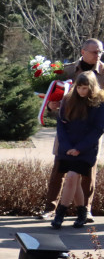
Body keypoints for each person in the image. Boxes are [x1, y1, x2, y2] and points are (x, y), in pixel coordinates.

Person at [40, 39, 104, 220]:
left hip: (91, 131)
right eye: (94, 52)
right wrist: (51, 106)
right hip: (68, 128)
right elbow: (51, 96)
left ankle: (85, 209)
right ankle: (49, 208)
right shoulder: (66, 70)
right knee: (60, 167)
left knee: (87, 171)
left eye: (100, 52)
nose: (98, 55)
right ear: (83, 51)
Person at [50, 72, 104, 228]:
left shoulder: (100, 103)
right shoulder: (68, 99)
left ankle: (60, 213)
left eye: (85, 88)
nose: (81, 91)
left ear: (92, 88)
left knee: (72, 177)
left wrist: (79, 148)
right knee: (75, 181)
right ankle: (82, 213)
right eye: (79, 87)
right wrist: (67, 147)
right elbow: (61, 124)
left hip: (86, 149)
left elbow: (98, 129)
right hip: (67, 148)